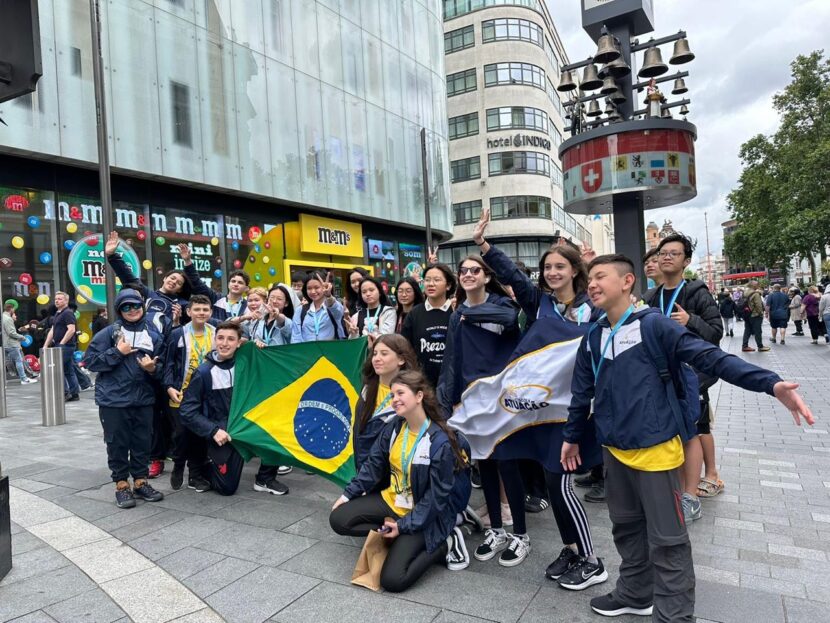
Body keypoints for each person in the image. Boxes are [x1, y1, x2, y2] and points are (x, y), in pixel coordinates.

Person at [561, 254, 814, 621]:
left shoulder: (654, 327)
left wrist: (770, 384)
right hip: (614, 450)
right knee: (626, 529)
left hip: (656, 451)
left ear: (627, 281)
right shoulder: (595, 333)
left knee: (667, 541)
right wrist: (571, 435)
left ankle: (675, 615)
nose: (593, 284)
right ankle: (634, 592)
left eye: (601, 276)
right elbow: (581, 390)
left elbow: (711, 357)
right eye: (591, 278)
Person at [472, 208, 607, 589]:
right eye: (547, 267)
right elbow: (513, 276)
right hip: (544, 413)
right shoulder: (539, 303)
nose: (552, 272)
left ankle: (593, 560)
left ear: (575, 270)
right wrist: (484, 244)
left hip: (577, 411)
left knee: (562, 485)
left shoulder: (592, 310)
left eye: (560, 266)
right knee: (551, 483)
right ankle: (571, 548)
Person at [330, 370, 473, 591]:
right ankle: (395, 533)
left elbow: (435, 499)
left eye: (400, 393)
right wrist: (348, 494)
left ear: (419, 396)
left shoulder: (440, 442)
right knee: (338, 519)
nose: (394, 399)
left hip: (425, 514)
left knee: (392, 580)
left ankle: (446, 543)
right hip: (392, 501)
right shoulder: (395, 426)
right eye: (392, 394)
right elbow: (372, 465)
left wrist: (403, 526)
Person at [438, 255, 529, 567]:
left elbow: (511, 320)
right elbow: (453, 357)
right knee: (485, 464)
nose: (467, 275)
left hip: (501, 398)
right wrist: (452, 398)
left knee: (508, 463)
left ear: (487, 277)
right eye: (462, 271)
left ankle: (521, 534)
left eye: (474, 270)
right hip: (470, 397)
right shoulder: (457, 314)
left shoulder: (501, 307)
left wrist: (467, 313)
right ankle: (496, 530)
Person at [644, 233, 724, 522]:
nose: (665, 257)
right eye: (662, 253)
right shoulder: (650, 297)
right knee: (672, 433)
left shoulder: (696, 291)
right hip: (663, 376)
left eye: (673, 254)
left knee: (691, 433)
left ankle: (690, 496)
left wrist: (691, 321)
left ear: (686, 261)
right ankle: (677, 492)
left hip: (693, 375)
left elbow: (716, 333)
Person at [84, 289, 167, 508]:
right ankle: (121, 484)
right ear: (119, 310)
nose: (132, 310)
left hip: (143, 399)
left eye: (136, 306)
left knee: (142, 442)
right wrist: (117, 352)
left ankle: (141, 481)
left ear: (143, 307)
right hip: (113, 400)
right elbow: (90, 362)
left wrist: (152, 369)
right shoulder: (108, 334)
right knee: (117, 443)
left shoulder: (154, 335)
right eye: (126, 307)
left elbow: (163, 368)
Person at [179, 322, 251, 495]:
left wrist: (260, 348)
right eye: (220, 338)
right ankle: (199, 467)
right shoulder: (204, 372)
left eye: (230, 339)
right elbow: (187, 410)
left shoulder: (245, 365)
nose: (224, 343)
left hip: (239, 430)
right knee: (227, 488)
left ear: (239, 343)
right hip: (217, 433)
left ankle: (266, 478)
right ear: (214, 339)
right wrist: (213, 431)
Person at [163, 294, 215, 491]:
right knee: (181, 434)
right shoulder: (178, 334)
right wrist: (169, 386)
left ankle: (195, 475)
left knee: (200, 436)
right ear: (188, 312)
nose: (201, 313)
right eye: (197, 309)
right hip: (180, 394)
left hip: (205, 396)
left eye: (205, 310)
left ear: (210, 312)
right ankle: (178, 464)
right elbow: (167, 363)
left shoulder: (215, 332)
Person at [354, 335, 420, 472]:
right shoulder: (367, 389)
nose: (377, 359)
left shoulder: (410, 397)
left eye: (384, 354)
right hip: (363, 471)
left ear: (401, 359)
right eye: (375, 353)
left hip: (392, 478)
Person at [105, 231, 193, 324]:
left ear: (180, 289)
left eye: (179, 283)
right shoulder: (148, 294)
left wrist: (177, 322)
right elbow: (129, 278)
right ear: (165, 278)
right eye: (172, 278)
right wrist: (112, 255)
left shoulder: (182, 305)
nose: (174, 282)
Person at [401, 263, 456, 388]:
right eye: (427, 280)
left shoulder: (456, 312)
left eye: (437, 280)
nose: (431, 284)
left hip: (452, 382)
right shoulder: (414, 314)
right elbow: (404, 347)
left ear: (448, 285)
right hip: (422, 384)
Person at [43, 291, 81, 402]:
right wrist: (46, 345)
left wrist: (62, 343)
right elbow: (53, 330)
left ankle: (65, 393)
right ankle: (74, 394)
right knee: (68, 370)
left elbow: (71, 329)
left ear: (66, 301)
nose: (57, 300)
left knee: (57, 368)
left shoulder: (68, 313)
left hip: (66, 346)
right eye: (56, 299)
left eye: (60, 299)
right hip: (61, 345)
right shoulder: (58, 313)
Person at [291, 271, 345, 342]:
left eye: (317, 287)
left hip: (331, 351)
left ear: (324, 287)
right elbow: (296, 337)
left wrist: (328, 296)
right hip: (307, 352)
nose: (313, 291)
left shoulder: (332, 307)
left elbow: (338, 312)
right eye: (309, 288)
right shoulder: (300, 310)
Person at [3, 304, 37, 384]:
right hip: (11, 344)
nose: (14, 312)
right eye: (14, 311)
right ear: (11, 309)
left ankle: (17, 376)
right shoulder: (8, 319)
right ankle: (24, 379)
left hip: (6, 343)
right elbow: (11, 333)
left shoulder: (3, 317)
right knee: (19, 361)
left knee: (8, 361)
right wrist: (22, 337)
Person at [741, 281, 768, 352]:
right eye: (757, 284)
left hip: (747, 314)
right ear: (753, 286)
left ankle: (745, 346)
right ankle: (760, 346)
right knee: (758, 331)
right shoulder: (755, 294)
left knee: (747, 330)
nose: (758, 286)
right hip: (755, 315)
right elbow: (758, 305)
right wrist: (761, 313)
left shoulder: (745, 293)